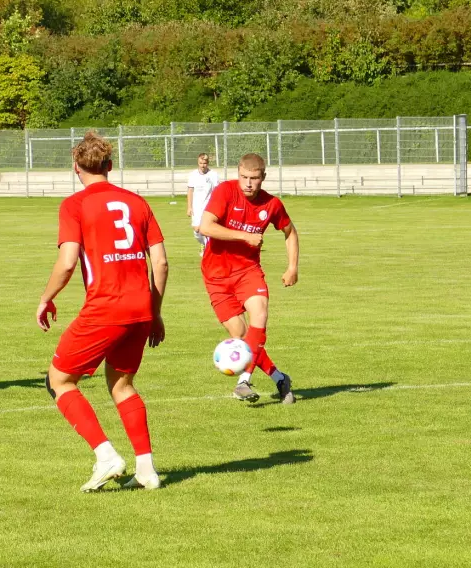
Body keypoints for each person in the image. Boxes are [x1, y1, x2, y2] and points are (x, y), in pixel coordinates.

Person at [37, 131, 168, 492]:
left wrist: (46, 297)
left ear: (75, 167)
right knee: (122, 385)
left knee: (59, 380)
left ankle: (106, 455)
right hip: (140, 309)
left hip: (105, 308)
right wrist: (155, 312)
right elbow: (160, 262)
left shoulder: (74, 205)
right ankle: (146, 470)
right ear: (110, 165)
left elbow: (67, 263)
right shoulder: (137, 202)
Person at [199, 153, 299, 404]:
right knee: (243, 337)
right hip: (216, 276)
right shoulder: (225, 191)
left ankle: (243, 381)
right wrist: (244, 236)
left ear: (263, 177)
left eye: (254, 178)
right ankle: (279, 378)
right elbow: (205, 226)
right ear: (238, 174)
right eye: (244, 177)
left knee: (260, 315)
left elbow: (290, 232)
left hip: (248, 271)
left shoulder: (272, 204)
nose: (248, 183)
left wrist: (292, 267)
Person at [185, 153, 222, 249]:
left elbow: (217, 191)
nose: (202, 165)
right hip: (196, 207)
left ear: (207, 163)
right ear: (198, 162)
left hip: (208, 206)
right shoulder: (193, 175)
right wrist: (189, 207)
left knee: (207, 228)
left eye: (204, 163)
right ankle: (203, 243)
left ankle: (207, 248)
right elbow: (190, 191)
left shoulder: (213, 175)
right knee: (196, 230)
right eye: (200, 163)